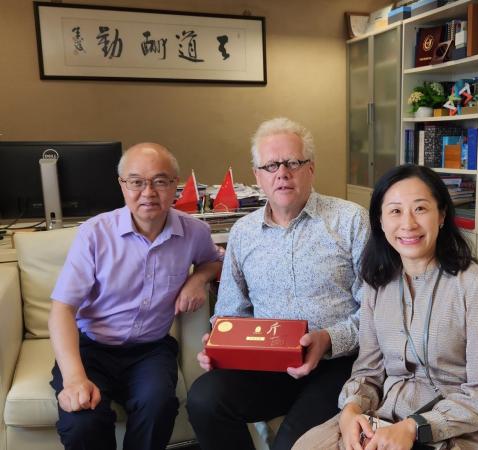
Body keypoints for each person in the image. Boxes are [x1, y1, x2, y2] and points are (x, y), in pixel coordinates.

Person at [293, 165, 478, 450]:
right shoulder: (378, 284)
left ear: (442, 215)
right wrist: (350, 411)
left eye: (420, 209)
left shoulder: (477, 285)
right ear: (381, 222)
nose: (408, 224)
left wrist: (415, 427)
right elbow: (368, 371)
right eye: (395, 211)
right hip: (386, 416)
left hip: (458, 429)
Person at [186, 117, 370, 450]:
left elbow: (376, 310)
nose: (282, 173)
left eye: (292, 163)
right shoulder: (243, 232)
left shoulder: (350, 220)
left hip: (338, 362)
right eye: (271, 165)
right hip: (266, 364)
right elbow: (231, 311)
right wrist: (219, 344)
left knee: (291, 443)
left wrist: (328, 339)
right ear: (257, 176)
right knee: (203, 399)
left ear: (310, 168)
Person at [48, 143, 222, 450]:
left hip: (150, 351)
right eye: (137, 182)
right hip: (92, 347)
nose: (148, 192)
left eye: (160, 181)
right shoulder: (95, 234)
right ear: (122, 185)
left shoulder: (194, 232)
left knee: (158, 407)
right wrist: (75, 378)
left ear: (174, 185)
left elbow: (215, 261)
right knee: (81, 422)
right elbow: (62, 308)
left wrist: (199, 278)